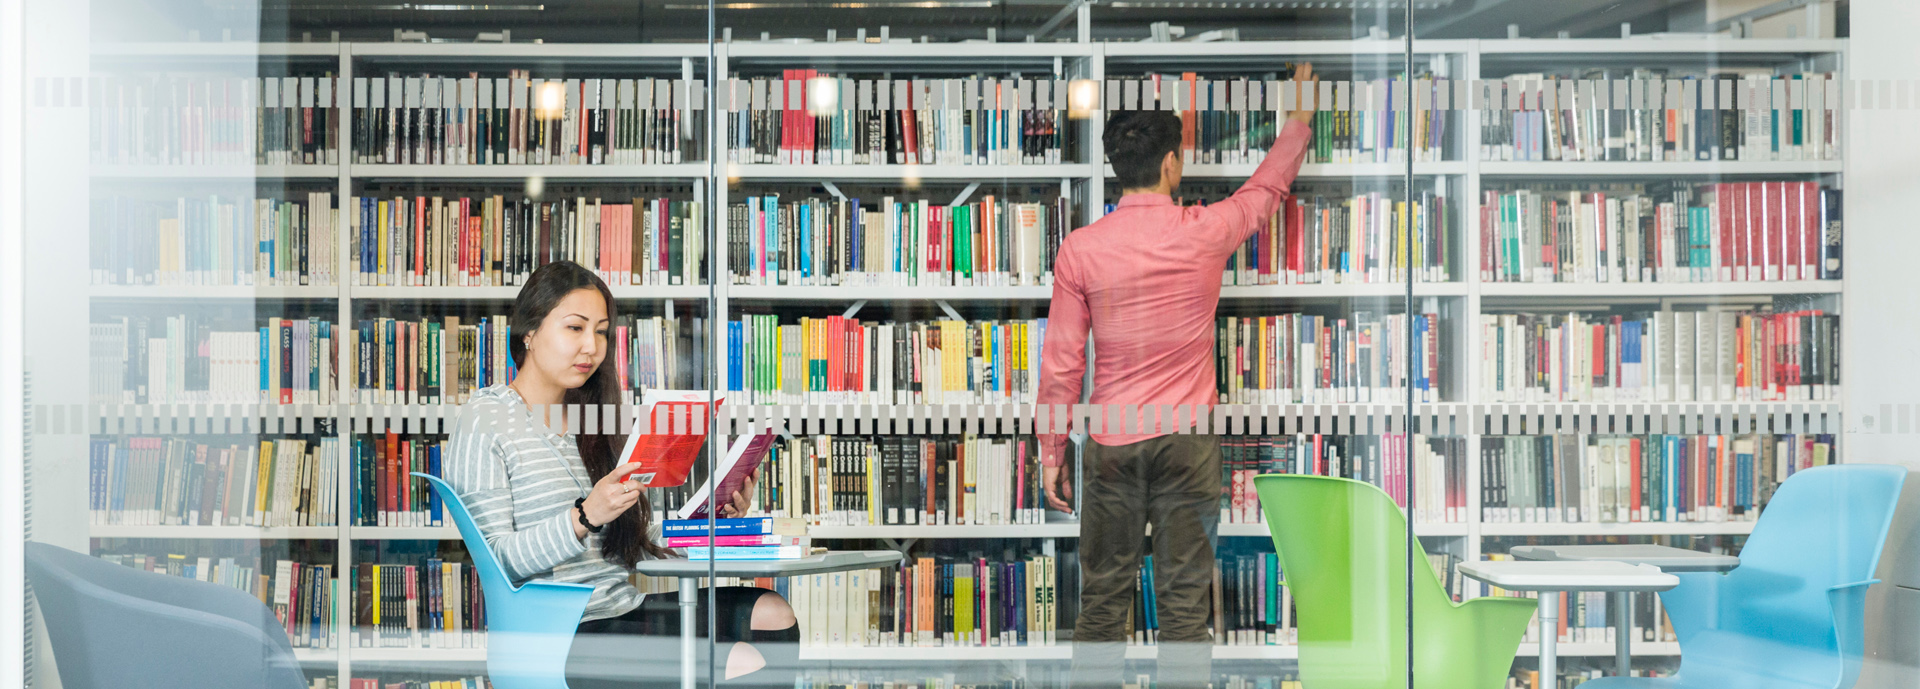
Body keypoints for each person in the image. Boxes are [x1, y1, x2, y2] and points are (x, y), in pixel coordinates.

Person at [1038, 64, 1317, 689]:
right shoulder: (1205, 232)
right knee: (1186, 607)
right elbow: (1264, 193)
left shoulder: (1080, 249)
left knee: (1103, 603)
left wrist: (1050, 449)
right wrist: (1296, 122)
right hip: (1188, 442)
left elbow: (1061, 363)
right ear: (1172, 164)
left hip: (1111, 442)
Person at [445, 259, 799, 689]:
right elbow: (498, 561)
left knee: (772, 611)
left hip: (621, 609)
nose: (591, 347)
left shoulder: (591, 421)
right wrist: (584, 516)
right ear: (529, 332)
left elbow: (631, 549)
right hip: (557, 634)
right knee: (739, 660)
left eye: (600, 332)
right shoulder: (487, 417)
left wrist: (714, 525)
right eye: (575, 328)